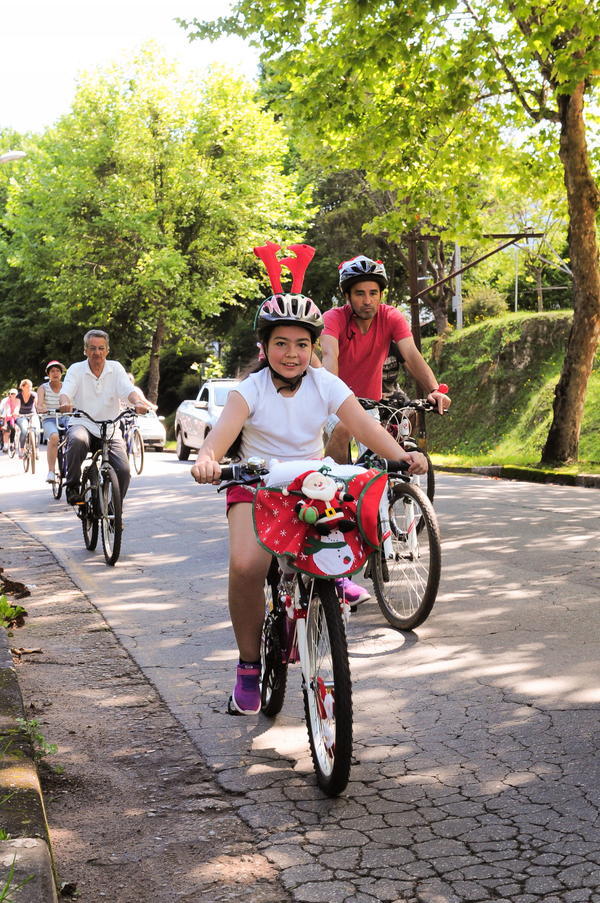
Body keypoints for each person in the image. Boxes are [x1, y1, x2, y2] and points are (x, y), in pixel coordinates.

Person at [191, 292, 428, 716]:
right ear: (264, 346)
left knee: (347, 536)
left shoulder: (325, 384)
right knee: (247, 565)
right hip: (255, 484)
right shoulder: (249, 391)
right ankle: (248, 665)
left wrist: (401, 456)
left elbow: (363, 425)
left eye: (302, 344)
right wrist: (208, 460)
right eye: (281, 343)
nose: (292, 353)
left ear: (313, 347)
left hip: (311, 485)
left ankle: (327, 590)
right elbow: (220, 437)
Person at [320, 255, 451, 464]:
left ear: (381, 294)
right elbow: (329, 355)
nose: (367, 300)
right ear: (347, 296)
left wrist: (434, 390)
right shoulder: (333, 318)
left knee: (380, 465)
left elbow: (411, 353)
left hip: (370, 404)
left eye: (373, 293)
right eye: (359, 294)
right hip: (335, 402)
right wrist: (331, 396)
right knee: (343, 429)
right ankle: (334, 488)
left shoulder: (391, 316)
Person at [59, 329, 154, 505]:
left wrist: (137, 403)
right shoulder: (76, 369)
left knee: (124, 471)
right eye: (93, 348)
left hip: (110, 427)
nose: (97, 353)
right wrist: (65, 402)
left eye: (101, 348)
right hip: (83, 423)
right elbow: (66, 391)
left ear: (107, 350)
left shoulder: (116, 368)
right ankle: (72, 487)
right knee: (77, 439)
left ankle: (113, 509)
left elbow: (128, 391)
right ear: (85, 350)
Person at [36, 361, 69, 483]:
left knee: (75, 436)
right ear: (48, 374)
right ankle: (51, 471)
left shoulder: (67, 386)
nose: (55, 373)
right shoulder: (43, 388)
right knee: (54, 437)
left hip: (66, 417)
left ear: (61, 374)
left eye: (58, 371)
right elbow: (39, 404)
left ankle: (72, 466)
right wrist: (41, 408)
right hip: (49, 417)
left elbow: (74, 401)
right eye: (52, 371)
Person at [15, 379, 38, 459]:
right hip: (21, 416)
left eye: (30, 387)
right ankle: (21, 449)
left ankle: (36, 449)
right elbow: (17, 406)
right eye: (27, 387)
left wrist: (41, 411)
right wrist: (15, 412)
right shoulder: (19, 396)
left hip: (32, 415)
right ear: (22, 387)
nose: (29, 388)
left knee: (36, 430)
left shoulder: (34, 395)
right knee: (24, 430)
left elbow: (37, 405)